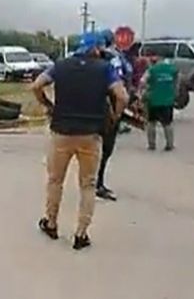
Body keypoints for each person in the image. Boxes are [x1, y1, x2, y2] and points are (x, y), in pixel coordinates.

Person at [31, 32, 128, 250]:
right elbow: (122, 97)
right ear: (95, 48)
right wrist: (114, 115)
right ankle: (81, 234)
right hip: (90, 135)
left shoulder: (61, 66)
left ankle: (51, 223)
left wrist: (47, 105)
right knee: (88, 184)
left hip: (61, 132)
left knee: (55, 180)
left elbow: (37, 85)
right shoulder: (105, 69)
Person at [96, 29, 131, 201]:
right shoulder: (115, 58)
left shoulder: (88, 57)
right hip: (110, 105)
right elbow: (126, 78)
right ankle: (98, 182)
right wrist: (118, 114)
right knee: (106, 148)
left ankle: (91, 181)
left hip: (90, 106)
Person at [140, 49, 179, 151]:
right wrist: (175, 92)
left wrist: (146, 89)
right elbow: (177, 82)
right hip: (168, 100)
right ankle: (170, 144)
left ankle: (152, 145)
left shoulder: (152, 70)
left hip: (153, 100)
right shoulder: (172, 69)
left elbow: (143, 82)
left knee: (151, 122)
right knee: (167, 123)